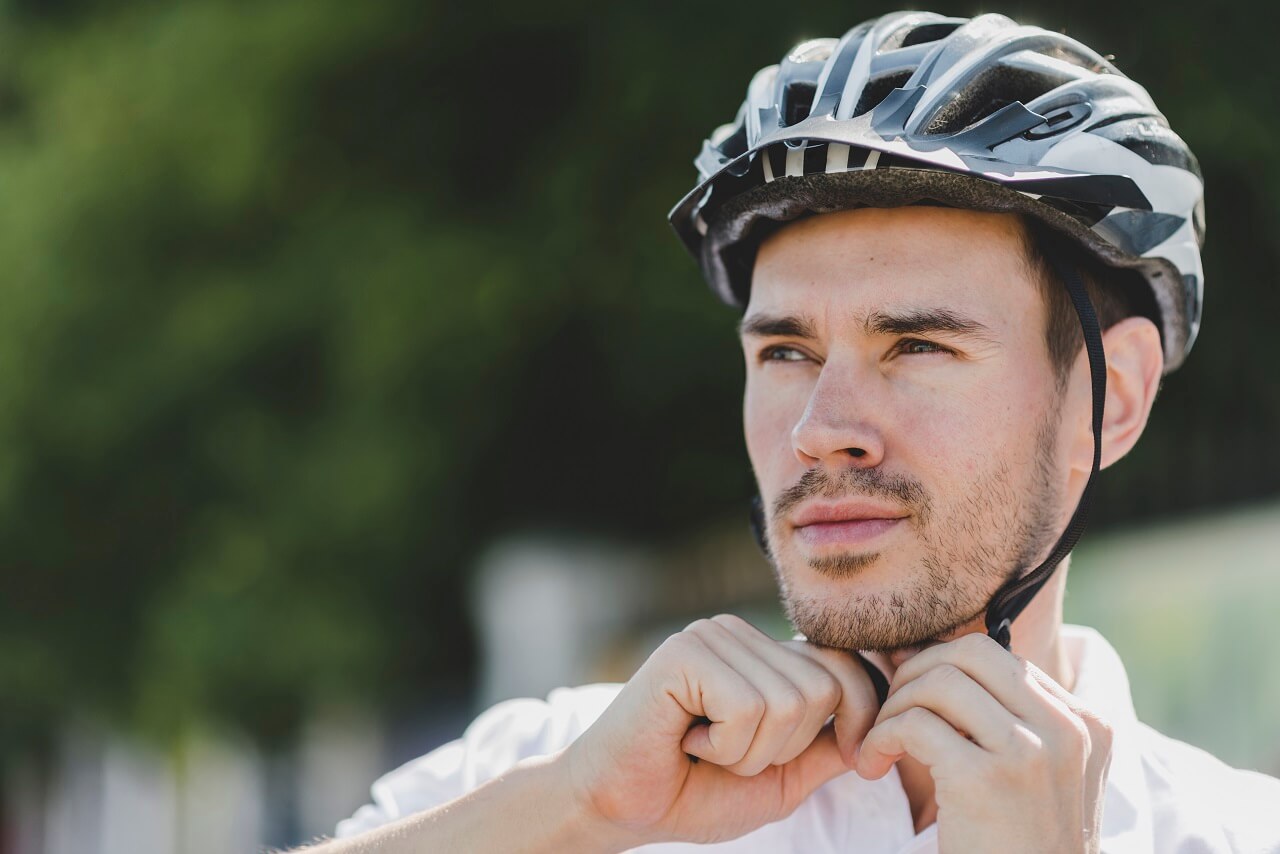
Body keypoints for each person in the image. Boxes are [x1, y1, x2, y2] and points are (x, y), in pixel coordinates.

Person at [295, 11, 1280, 853]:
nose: (819, 431)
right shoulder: (556, 775)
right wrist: (583, 806)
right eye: (785, 353)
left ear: (1111, 400)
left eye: (915, 346)